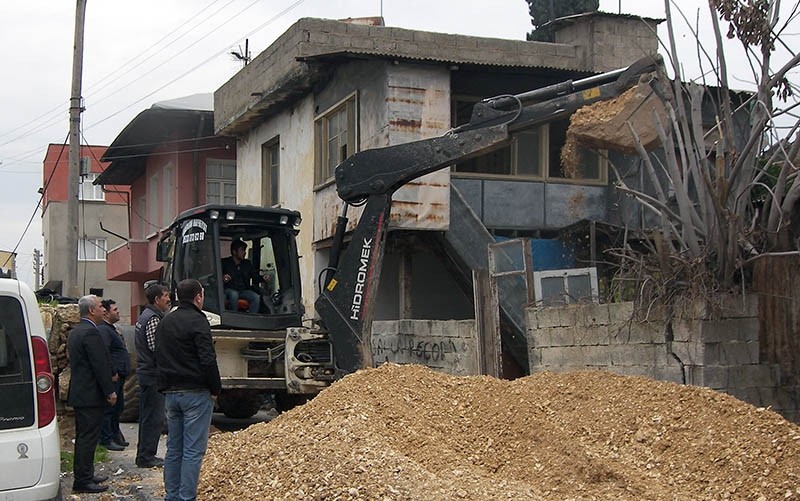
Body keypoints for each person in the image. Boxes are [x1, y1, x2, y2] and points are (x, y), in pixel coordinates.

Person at [156, 279, 221, 501]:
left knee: (174, 449)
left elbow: (159, 355)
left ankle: (172, 496)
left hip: (171, 393)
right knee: (193, 450)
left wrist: (163, 386)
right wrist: (215, 387)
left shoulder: (166, 321)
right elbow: (207, 358)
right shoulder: (198, 321)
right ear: (199, 297)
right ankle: (186, 498)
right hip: (195, 392)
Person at [67, 294, 117, 494]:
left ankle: (87, 473)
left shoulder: (77, 331)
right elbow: (99, 364)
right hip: (89, 394)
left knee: (86, 437)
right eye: (99, 306)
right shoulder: (90, 333)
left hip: (81, 392)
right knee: (87, 438)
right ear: (91, 310)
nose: (103, 309)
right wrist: (109, 391)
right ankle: (83, 480)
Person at [135, 283, 171, 469]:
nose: (168, 298)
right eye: (165, 295)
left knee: (148, 416)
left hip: (147, 373)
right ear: (157, 299)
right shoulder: (153, 319)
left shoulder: (145, 316)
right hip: (152, 375)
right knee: (153, 418)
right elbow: (155, 347)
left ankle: (144, 454)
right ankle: (146, 456)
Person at [98, 298, 129, 451]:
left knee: (118, 408)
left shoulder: (112, 329)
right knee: (109, 409)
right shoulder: (104, 330)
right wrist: (112, 372)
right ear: (106, 313)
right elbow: (105, 353)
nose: (118, 312)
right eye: (115, 310)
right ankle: (106, 439)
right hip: (114, 376)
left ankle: (116, 435)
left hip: (120, 375)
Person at [221, 239, 266, 313]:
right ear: (234, 252)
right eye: (242, 250)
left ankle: (252, 317)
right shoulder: (224, 263)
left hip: (243, 290)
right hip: (229, 289)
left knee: (256, 297)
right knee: (234, 294)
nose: (244, 253)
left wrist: (263, 278)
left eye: (244, 250)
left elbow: (255, 276)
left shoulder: (247, 264)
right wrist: (223, 278)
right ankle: (234, 316)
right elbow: (215, 277)